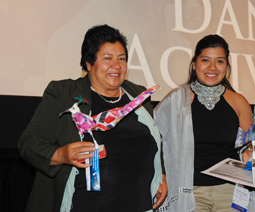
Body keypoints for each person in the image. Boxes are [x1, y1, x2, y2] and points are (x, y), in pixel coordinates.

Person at [18, 24, 167, 212]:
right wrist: (62, 155)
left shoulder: (138, 95)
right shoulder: (64, 93)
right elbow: (28, 143)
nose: (117, 65)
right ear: (89, 63)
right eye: (107, 58)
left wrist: (160, 173)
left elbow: (153, 139)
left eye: (122, 58)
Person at [154, 34, 255, 212]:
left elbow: (254, 144)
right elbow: (154, 142)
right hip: (190, 192)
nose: (212, 67)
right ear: (194, 64)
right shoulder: (175, 100)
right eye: (205, 60)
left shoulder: (239, 102)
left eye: (220, 61)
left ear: (226, 66)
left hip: (231, 192)